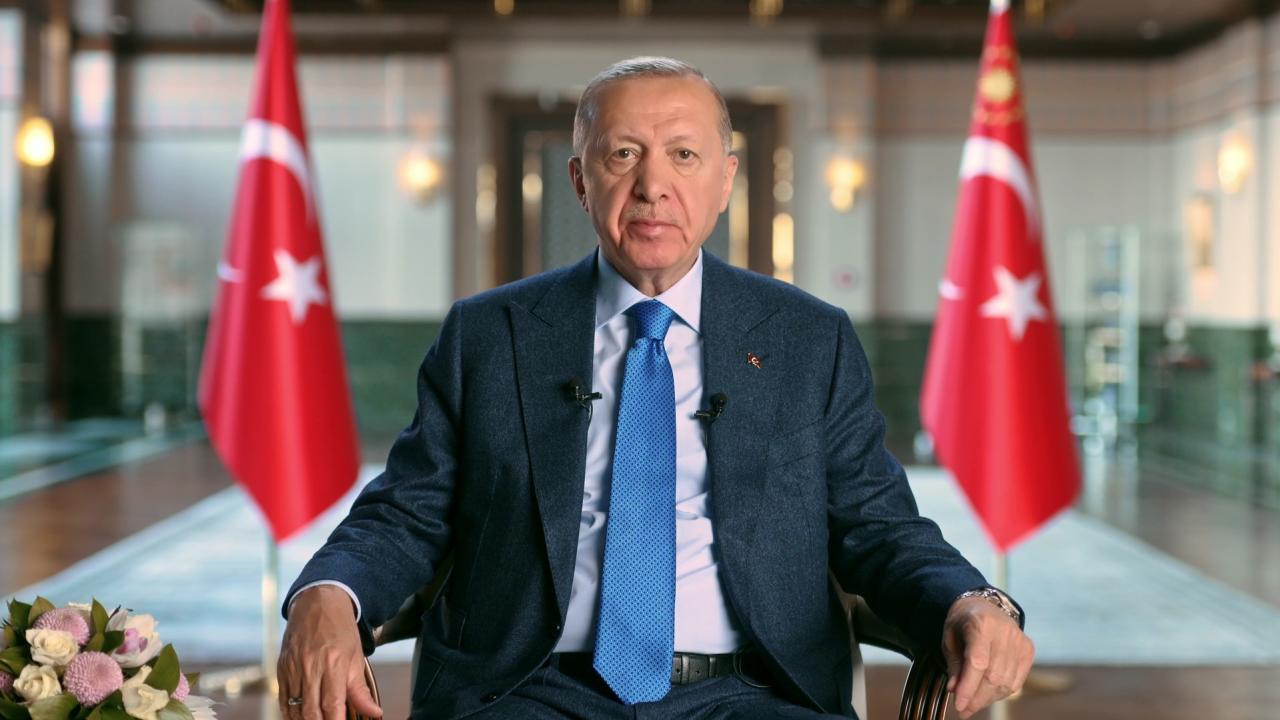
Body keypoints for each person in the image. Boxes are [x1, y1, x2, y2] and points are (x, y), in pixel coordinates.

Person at [278, 56, 1034, 720]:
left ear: (725, 181)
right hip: (527, 689)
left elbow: (879, 526)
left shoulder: (809, 340)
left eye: (683, 155)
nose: (653, 186)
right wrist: (329, 593)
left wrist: (974, 600)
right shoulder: (488, 335)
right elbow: (407, 511)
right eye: (623, 155)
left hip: (756, 692)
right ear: (580, 180)